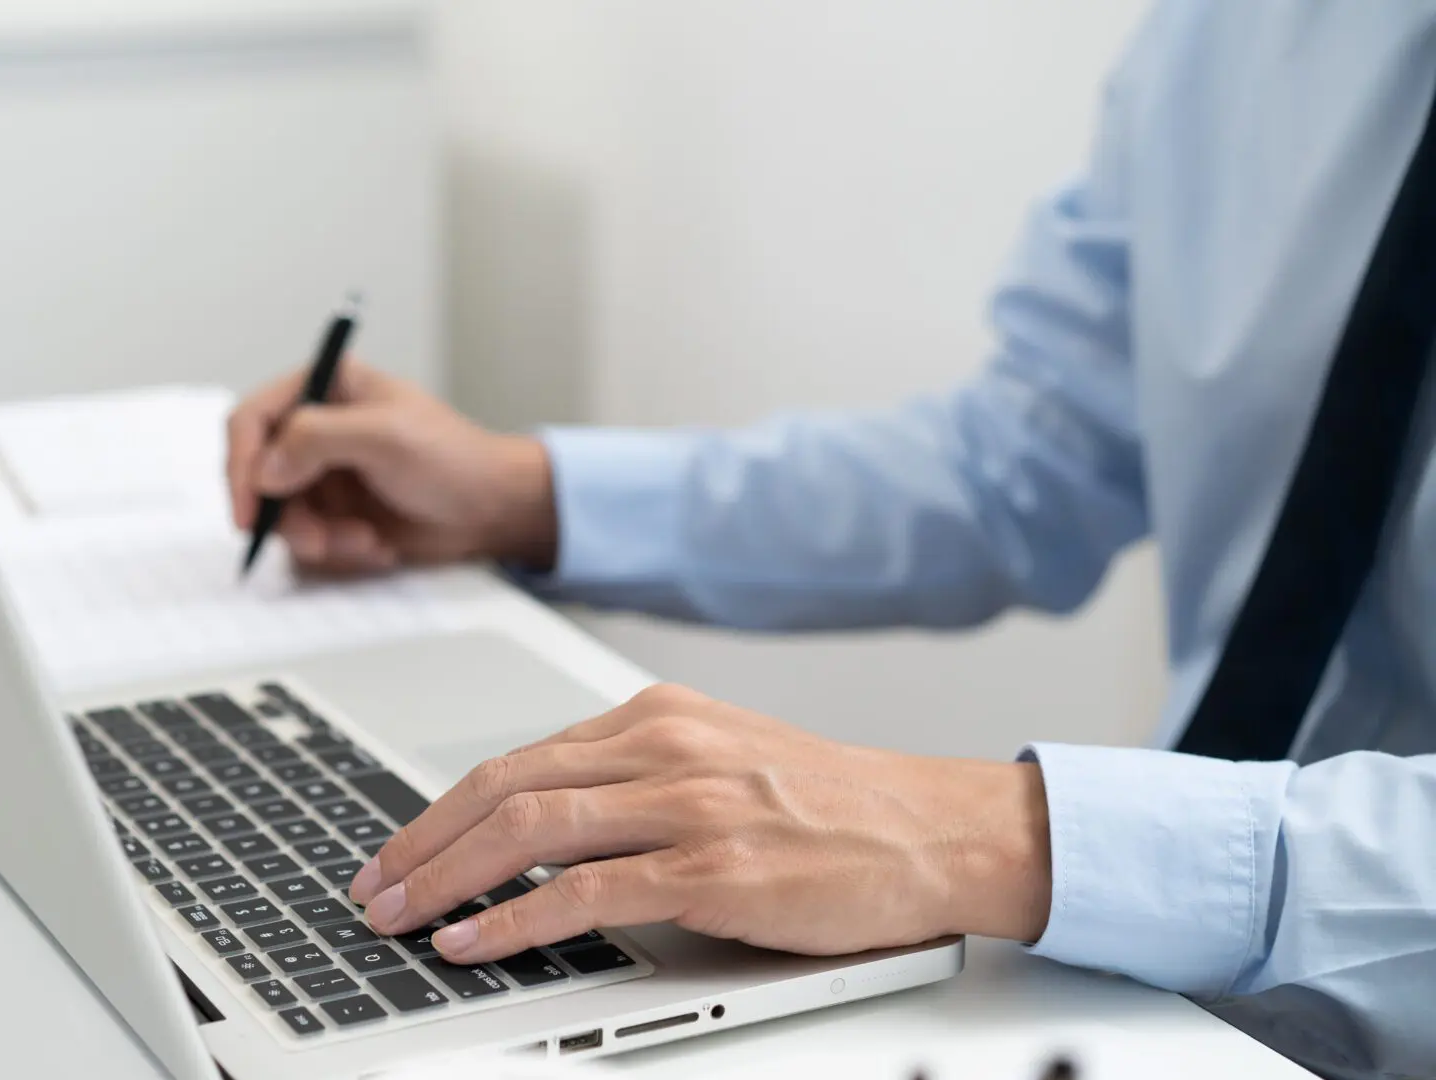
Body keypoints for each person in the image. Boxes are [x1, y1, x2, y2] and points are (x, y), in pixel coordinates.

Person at [223, 5, 1436, 1079]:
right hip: (1149, 997)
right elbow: (1021, 464)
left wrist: (1004, 833)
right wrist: (523, 495)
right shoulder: (1238, 32)